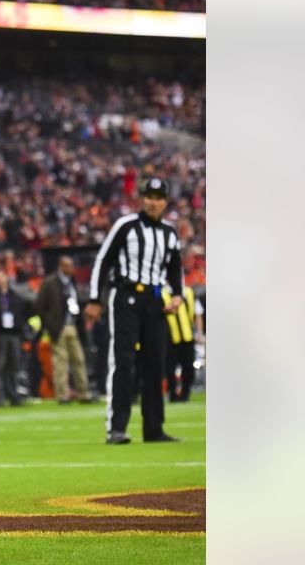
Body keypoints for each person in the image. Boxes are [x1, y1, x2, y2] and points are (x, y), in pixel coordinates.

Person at [86, 177, 185, 444]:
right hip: (126, 296)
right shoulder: (126, 226)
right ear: (142, 199)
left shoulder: (170, 233)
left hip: (155, 301)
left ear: (165, 201)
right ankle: (116, 428)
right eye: (149, 197)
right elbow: (103, 261)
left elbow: (176, 268)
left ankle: (154, 429)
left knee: (155, 364)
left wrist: (177, 295)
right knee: (123, 362)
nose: (153, 202)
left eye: (158, 197)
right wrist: (95, 298)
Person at [35, 257, 92, 404]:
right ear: (61, 266)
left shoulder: (72, 282)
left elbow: (75, 303)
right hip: (58, 327)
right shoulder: (50, 283)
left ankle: (83, 393)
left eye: (72, 266)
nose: (71, 269)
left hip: (72, 325)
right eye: (68, 266)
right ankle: (62, 395)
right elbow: (40, 305)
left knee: (79, 359)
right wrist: (49, 323)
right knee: (61, 362)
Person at [0, 269, 28, 406]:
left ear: (6, 278)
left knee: (13, 366)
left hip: (13, 333)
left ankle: (13, 395)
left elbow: (23, 311)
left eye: (1, 277)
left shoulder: (15, 296)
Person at [164, 285, 203, 403]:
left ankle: (185, 395)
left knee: (188, 370)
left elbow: (198, 314)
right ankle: (172, 394)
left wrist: (199, 332)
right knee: (169, 370)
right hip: (169, 339)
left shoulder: (189, 292)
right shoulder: (162, 292)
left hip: (187, 338)